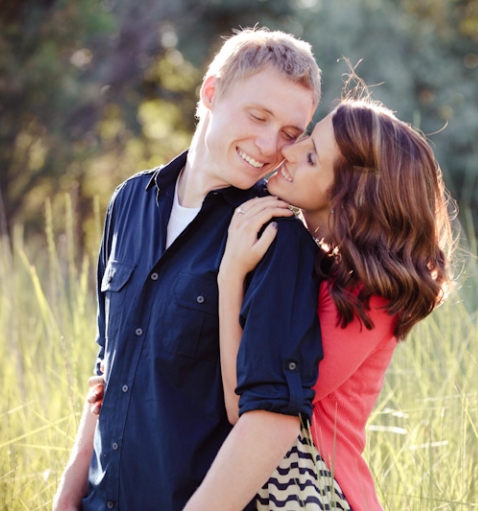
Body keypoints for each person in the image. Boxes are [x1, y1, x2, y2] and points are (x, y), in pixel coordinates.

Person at [53, 27, 325, 511]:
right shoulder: (129, 201)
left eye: (288, 133)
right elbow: (107, 366)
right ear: (211, 92)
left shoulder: (278, 238)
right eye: (258, 115)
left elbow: (272, 419)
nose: (268, 145)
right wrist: (67, 497)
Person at [218, 94, 455, 510]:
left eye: (311, 158)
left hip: (316, 489)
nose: (288, 151)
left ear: (351, 197)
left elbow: (249, 404)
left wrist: (230, 278)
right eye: (306, 140)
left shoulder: (371, 297)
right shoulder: (306, 259)